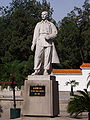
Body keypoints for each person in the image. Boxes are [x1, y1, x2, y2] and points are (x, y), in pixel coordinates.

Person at [31, 11, 59, 75]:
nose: (42, 16)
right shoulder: (38, 24)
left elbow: (55, 33)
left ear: (47, 15)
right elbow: (35, 34)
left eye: (44, 14)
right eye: (42, 14)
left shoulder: (51, 24)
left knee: (47, 57)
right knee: (38, 56)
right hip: (40, 40)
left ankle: (46, 70)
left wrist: (49, 36)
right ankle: (36, 70)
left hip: (48, 42)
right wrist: (33, 44)